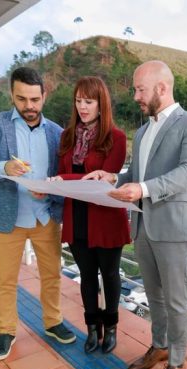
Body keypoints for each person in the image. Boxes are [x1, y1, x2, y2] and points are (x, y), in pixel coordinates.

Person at [84, 60, 187, 369]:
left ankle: (177, 363)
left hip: (174, 227)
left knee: (176, 300)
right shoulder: (142, 132)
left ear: (161, 88)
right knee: (154, 295)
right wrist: (112, 177)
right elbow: (135, 175)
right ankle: (160, 346)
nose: (136, 96)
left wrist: (142, 190)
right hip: (142, 225)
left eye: (140, 89)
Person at [0, 67, 75, 361]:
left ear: (44, 96)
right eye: (22, 99)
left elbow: (62, 176)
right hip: (7, 219)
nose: (29, 106)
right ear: (12, 95)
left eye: (35, 99)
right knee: (4, 280)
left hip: (45, 217)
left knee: (51, 275)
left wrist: (49, 191)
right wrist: (3, 167)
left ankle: (53, 322)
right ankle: (5, 330)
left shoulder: (57, 133)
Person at [52, 76, 130, 354]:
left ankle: (111, 328)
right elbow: (63, 174)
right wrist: (59, 180)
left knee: (109, 274)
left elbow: (103, 179)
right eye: (78, 101)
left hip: (105, 217)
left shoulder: (116, 138)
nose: (82, 107)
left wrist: (63, 179)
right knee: (86, 275)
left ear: (101, 104)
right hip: (77, 216)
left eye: (89, 101)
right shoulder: (67, 136)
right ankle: (92, 329)